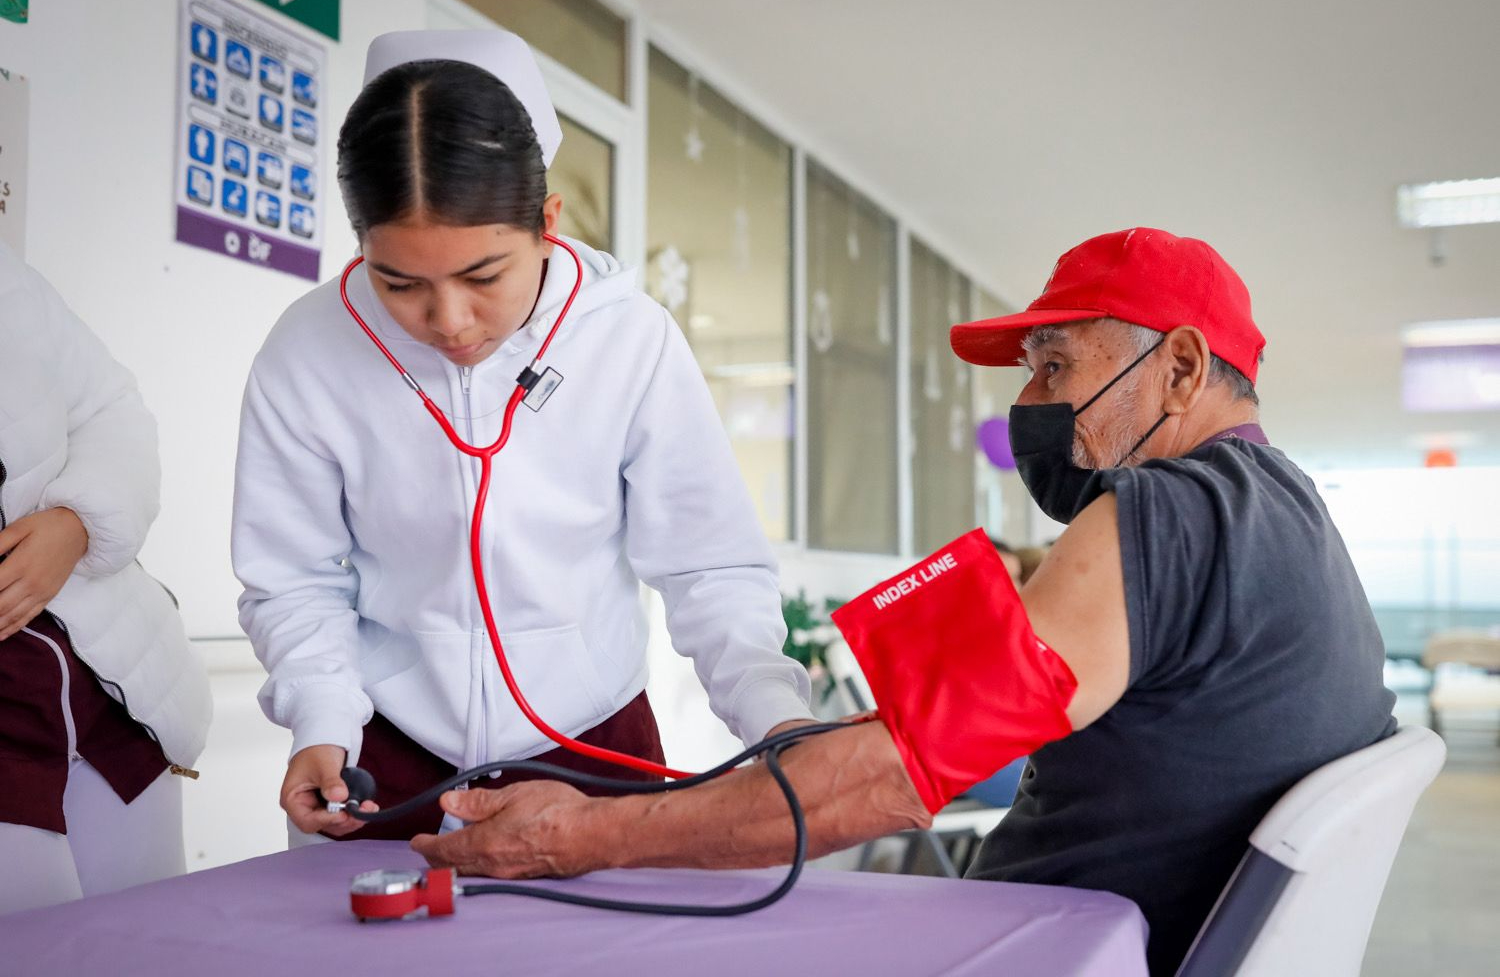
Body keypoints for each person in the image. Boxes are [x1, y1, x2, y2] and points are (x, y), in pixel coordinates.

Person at [406, 228, 1396, 976]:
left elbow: (890, 778)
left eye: (1058, 366)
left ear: (1179, 367)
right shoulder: (1290, 513)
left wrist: (582, 835)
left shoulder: (1167, 514)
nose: (1034, 405)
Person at [231, 30, 814, 845]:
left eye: (482, 276)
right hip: (381, 758)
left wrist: (773, 715)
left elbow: (707, 564)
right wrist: (321, 720)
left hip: (594, 748)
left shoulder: (629, 342)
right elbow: (292, 576)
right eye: (399, 283)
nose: (449, 321)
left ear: (547, 221)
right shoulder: (309, 350)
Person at [0, 241, 211, 914]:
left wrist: (76, 522)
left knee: (157, 946)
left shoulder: (11, 282)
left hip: (107, 689)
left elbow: (110, 408)